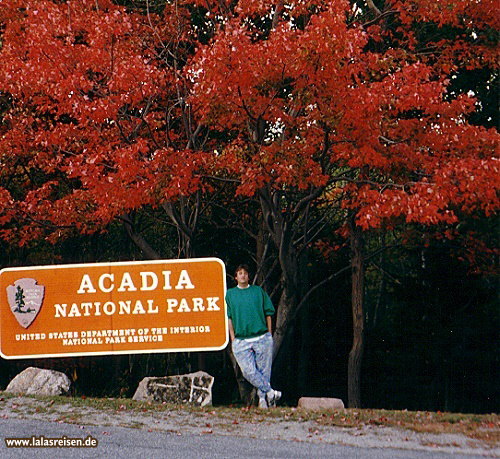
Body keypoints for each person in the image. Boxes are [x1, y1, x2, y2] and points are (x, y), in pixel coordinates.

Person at [225, 264, 281, 408]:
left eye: (245, 273)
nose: (243, 275)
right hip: (241, 340)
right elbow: (229, 317)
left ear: (248, 276)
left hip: (261, 337)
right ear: (236, 277)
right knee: (248, 371)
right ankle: (270, 392)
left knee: (264, 371)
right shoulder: (230, 294)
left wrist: (268, 333)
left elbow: (269, 312)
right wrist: (233, 338)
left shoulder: (258, 291)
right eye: (240, 273)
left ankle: (263, 400)